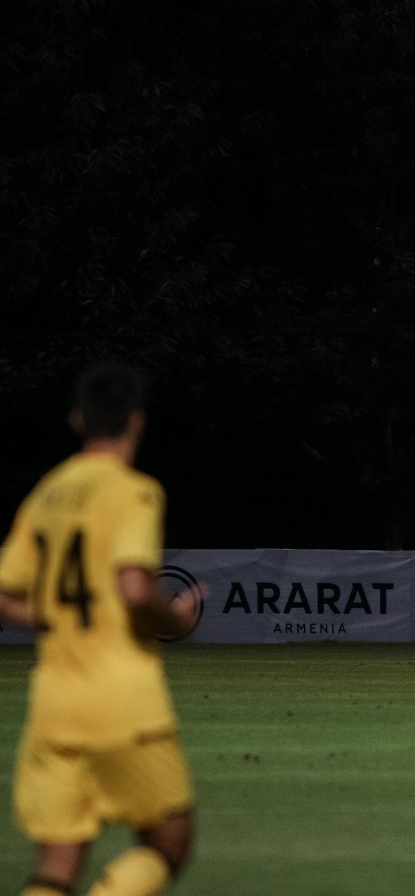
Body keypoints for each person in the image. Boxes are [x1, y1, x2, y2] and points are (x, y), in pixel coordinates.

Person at [0, 364, 201, 896]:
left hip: (53, 707)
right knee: (168, 842)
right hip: (122, 703)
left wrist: (51, 617)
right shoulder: (134, 491)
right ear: (136, 422)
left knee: (57, 867)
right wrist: (176, 618)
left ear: (76, 419)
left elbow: (4, 592)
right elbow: (134, 586)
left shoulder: (47, 495)